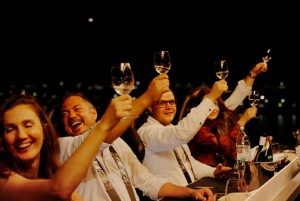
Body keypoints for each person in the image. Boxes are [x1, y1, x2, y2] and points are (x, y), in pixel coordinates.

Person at [58, 74, 214, 201]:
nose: (71, 115)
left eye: (77, 109)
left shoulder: (117, 142)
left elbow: (148, 182)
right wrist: (146, 98)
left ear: (94, 112)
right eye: (65, 114)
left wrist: (191, 193)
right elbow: (97, 138)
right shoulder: (62, 146)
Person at [137, 62, 268, 186]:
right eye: (162, 103)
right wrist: (211, 97)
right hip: (170, 197)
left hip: (192, 189)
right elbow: (181, 134)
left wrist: (213, 172)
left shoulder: (171, 128)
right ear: (150, 107)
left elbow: (189, 164)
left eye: (172, 102)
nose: (169, 107)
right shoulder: (147, 132)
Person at [0, 93, 132, 201]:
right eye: (10, 129)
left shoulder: (52, 169)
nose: (21, 135)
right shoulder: (4, 181)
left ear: (44, 131)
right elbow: (57, 190)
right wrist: (105, 124)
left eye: (28, 125)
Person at [187, 62, 267, 167]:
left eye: (212, 101)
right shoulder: (194, 127)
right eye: (203, 102)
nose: (209, 106)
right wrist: (242, 121)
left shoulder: (218, 113)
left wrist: (253, 73)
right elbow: (224, 145)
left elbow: (240, 93)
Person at [188, 86, 257, 167]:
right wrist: (242, 121)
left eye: (215, 103)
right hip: (204, 175)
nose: (212, 108)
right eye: (207, 105)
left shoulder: (217, 124)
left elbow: (231, 151)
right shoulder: (198, 128)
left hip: (219, 172)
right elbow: (225, 146)